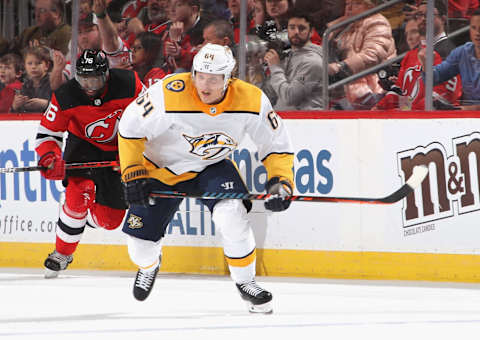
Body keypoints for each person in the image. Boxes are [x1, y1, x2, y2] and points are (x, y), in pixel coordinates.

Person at [118, 43, 294, 313]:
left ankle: (246, 282)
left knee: (232, 215)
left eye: (213, 78)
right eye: (200, 75)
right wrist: (132, 172)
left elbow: (275, 144)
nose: (205, 85)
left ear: (228, 78)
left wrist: (280, 180)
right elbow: (130, 127)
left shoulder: (251, 100)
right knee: (139, 249)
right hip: (160, 169)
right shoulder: (168, 94)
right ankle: (149, 264)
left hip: (211, 166)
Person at [35, 49, 144, 278]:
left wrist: (139, 156)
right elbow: (48, 133)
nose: (90, 86)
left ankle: (79, 214)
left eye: (95, 79)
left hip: (121, 151)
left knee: (110, 221)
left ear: (107, 74)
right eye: (85, 79)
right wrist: (49, 157)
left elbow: (151, 120)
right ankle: (62, 253)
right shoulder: (66, 95)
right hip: (83, 150)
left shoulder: (129, 84)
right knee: (78, 194)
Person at [327, 0, 396, 110]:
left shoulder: (377, 22)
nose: (349, 8)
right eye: (347, 4)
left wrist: (341, 67)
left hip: (373, 87)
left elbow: (373, 55)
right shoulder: (345, 26)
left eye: (356, 3)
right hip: (347, 86)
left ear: (370, 6)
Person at [418, 9, 480, 109]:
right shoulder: (462, 52)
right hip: (466, 116)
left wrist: (464, 109)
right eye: (474, 28)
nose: (477, 33)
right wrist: (426, 64)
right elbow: (434, 79)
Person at [262, 10, 323, 110]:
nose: (296, 32)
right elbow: (272, 92)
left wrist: (275, 68)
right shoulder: (289, 57)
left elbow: (290, 98)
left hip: (306, 121)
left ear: (311, 32)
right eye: (292, 27)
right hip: (284, 120)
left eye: (301, 28)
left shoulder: (313, 62)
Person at [11, 46, 52, 113]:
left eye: (38, 63)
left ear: (47, 65)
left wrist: (45, 104)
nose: (33, 67)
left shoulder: (53, 83)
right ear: (25, 66)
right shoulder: (25, 86)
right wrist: (15, 106)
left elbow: (62, 108)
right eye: (30, 63)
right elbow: (16, 116)